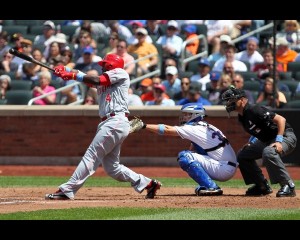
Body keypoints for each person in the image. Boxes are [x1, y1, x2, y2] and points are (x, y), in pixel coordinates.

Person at [45, 53, 161, 200]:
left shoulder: (120, 73)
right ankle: (148, 183)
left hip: (115, 120)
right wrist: (66, 69)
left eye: (105, 64)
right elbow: (89, 80)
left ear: (112, 65)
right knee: (112, 168)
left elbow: (96, 80)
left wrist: (72, 76)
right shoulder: (106, 80)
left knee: (92, 155)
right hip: (111, 122)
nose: (103, 66)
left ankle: (67, 190)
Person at [131, 103, 238, 196]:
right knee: (189, 154)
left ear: (195, 115)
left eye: (187, 114)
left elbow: (167, 130)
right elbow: (194, 148)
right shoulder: (207, 126)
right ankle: (208, 185)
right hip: (226, 165)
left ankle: (212, 187)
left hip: (223, 168)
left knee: (185, 156)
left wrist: (144, 126)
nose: (184, 117)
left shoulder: (194, 128)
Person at [221, 86, 297, 197]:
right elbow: (256, 130)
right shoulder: (241, 116)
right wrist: (251, 142)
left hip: (285, 136)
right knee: (243, 155)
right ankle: (261, 185)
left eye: (232, 100)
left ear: (242, 100)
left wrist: (279, 141)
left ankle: (288, 185)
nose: (229, 103)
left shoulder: (253, 109)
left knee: (268, 152)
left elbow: (281, 119)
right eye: (228, 101)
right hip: (267, 140)